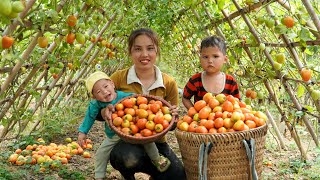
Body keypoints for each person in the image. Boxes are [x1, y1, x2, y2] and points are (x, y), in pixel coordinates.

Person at [99, 28, 186, 180]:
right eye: (138, 49)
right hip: (125, 142)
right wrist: (104, 111)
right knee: (127, 158)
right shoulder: (118, 78)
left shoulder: (168, 83)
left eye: (150, 48)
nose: (144, 54)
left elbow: (171, 125)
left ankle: (155, 173)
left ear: (157, 51)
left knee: (178, 176)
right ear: (130, 52)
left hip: (157, 143)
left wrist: (173, 119)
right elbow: (99, 108)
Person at [77, 71, 171, 180]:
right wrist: (82, 132)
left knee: (147, 140)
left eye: (106, 86)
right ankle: (99, 176)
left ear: (112, 84)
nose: (104, 91)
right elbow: (89, 117)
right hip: (114, 135)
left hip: (133, 131)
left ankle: (157, 160)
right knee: (101, 153)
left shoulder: (123, 96)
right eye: (98, 92)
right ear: (94, 97)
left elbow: (135, 98)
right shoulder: (95, 104)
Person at [182, 35, 240, 110]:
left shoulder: (231, 82)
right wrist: (194, 111)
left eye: (215, 56)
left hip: (225, 120)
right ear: (200, 59)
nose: (210, 61)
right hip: (201, 121)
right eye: (205, 57)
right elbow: (185, 98)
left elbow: (236, 103)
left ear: (225, 59)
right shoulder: (195, 80)